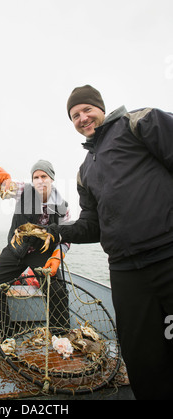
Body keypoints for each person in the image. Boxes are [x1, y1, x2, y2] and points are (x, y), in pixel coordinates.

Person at [47, 85, 173, 399]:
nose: (82, 118)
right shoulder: (84, 171)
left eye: (86, 110)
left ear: (100, 108)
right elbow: (93, 225)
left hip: (169, 255)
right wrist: (58, 233)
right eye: (74, 115)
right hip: (126, 272)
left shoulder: (140, 123)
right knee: (141, 358)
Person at [0, 160, 71, 334]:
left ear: (51, 178)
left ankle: (60, 335)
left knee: (57, 289)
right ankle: (3, 335)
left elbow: (66, 237)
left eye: (43, 176)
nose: (40, 180)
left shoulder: (62, 207)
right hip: (17, 247)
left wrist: (57, 256)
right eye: (36, 177)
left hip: (42, 252)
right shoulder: (23, 190)